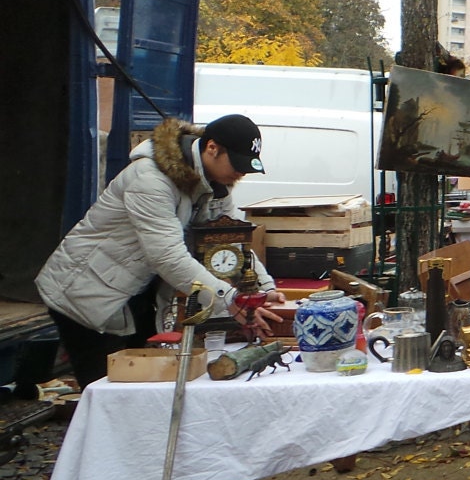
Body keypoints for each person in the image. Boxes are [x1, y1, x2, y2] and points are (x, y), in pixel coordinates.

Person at [35, 114, 285, 388]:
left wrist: (263, 288)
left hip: (133, 293)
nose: (241, 173)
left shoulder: (215, 185)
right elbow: (167, 256)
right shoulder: (150, 180)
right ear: (211, 148)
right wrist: (230, 299)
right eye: (237, 164)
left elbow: (233, 242)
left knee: (142, 385)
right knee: (108, 390)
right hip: (85, 293)